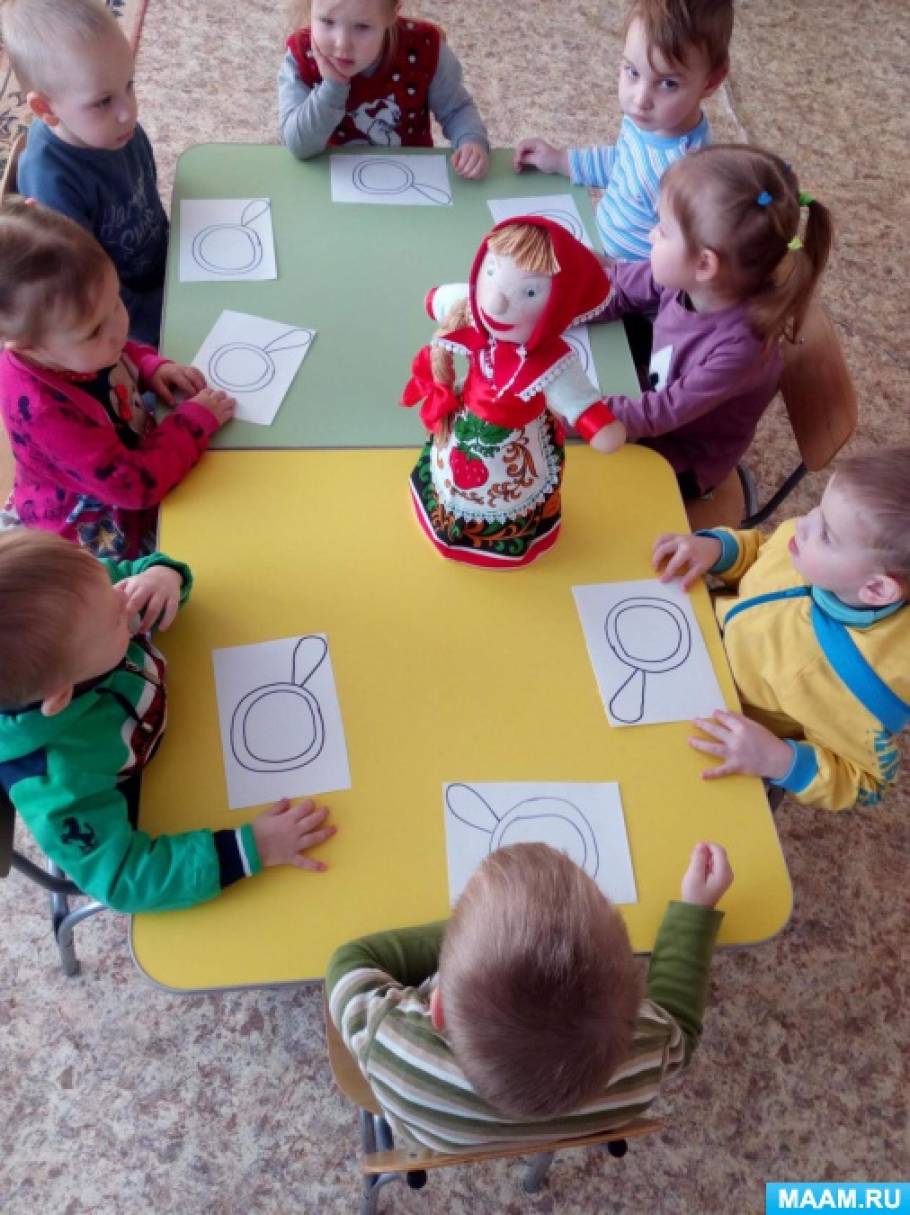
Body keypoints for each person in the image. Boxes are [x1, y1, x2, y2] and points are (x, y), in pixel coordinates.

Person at [0, 530, 337, 913]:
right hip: (152, 795)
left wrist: (160, 577)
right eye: (116, 619)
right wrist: (248, 848)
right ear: (61, 695)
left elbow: (128, 575)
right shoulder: (57, 783)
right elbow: (124, 878)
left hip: (196, 700)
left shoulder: (83, 600)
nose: (125, 596)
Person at [327, 838, 732, 1153]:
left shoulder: (397, 1054)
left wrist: (464, 934)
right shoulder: (648, 1052)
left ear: (438, 1011)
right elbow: (681, 1025)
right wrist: (693, 912)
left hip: (441, 1133)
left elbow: (348, 963)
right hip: (565, 1128)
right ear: (633, 1007)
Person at [653, 448, 910, 811]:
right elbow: (760, 554)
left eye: (828, 534)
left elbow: (867, 782)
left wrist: (780, 760)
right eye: (818, 509)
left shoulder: (862, 689)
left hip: (706, 718)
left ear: (877, 589)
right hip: (682, 634)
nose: (804, 522)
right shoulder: (803, 545)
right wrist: (718, 549)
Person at [594, 144, 832, 500]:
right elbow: (620, 288)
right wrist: (557, 306)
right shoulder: (689, 277)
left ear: (705, 264)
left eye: (663, 229)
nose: (650, 235)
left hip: (679, 460)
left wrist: (575, 408)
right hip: (653, 399)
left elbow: (658, 415)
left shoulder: (741, 350)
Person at [0, 199, 233, 559]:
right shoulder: (47, 413)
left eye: (116, 303)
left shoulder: (72, 344)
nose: (119, 328)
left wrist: (150, 367)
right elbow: (133, 487)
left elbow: (118, 351)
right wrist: (191, 424)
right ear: (28, 346)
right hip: (95, 523)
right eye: (95, 330)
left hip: (125, 454)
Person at [400, 217, 626, 568]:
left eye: (531, 292)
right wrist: (435, 301)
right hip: (465, 418)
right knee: (452, 469)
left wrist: (598, 424)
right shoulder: (469, 307)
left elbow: (581, 404)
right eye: (490, 272)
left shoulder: (551, 363)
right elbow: (440, 300)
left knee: (504, 486)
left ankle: (497, 538)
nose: (497, 302)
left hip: (517, 441)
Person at [2, 0, 170, 346]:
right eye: (103, 101)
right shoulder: (52, 184)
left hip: (165, 265)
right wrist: (167, 320)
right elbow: (89, 297)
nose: (128, 111)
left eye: (129, 84)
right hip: (123, 316)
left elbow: (150, 200)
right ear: (45, 109)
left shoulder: (116, 129)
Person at [514, 0, 732, 260]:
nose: (641, 99)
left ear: (712, 81)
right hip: (599, 245)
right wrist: (561, 161)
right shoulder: (645, 121)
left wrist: (617, 273)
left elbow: (678, 261)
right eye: (632, 72)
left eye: (668, 84)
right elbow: (623, 164)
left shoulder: (688, 172)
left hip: (632, 284)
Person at [278, 0, 490, 178]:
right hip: (332, 180)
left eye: (362, 26)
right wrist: (332, 87)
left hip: (411, 179)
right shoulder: (300, 56)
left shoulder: (425, 48)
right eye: (327, 21)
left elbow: (456, 109)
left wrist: (470, 139)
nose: (342, 44)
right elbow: (298, 146)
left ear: (392, 14)